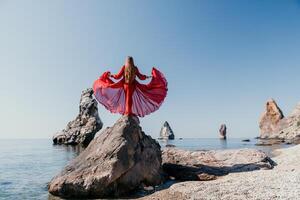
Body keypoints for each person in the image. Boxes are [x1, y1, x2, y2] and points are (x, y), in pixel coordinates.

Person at [93, 56, 168, 117]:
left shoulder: (124, 67)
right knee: (130, 98)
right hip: (133, 85)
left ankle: (127, 112)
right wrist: (148, 77)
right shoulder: (135, 68)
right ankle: (129, 112)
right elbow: (141, 77)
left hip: (125, 85)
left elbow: (117, 77)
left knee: (127, 98)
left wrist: (111, 75)